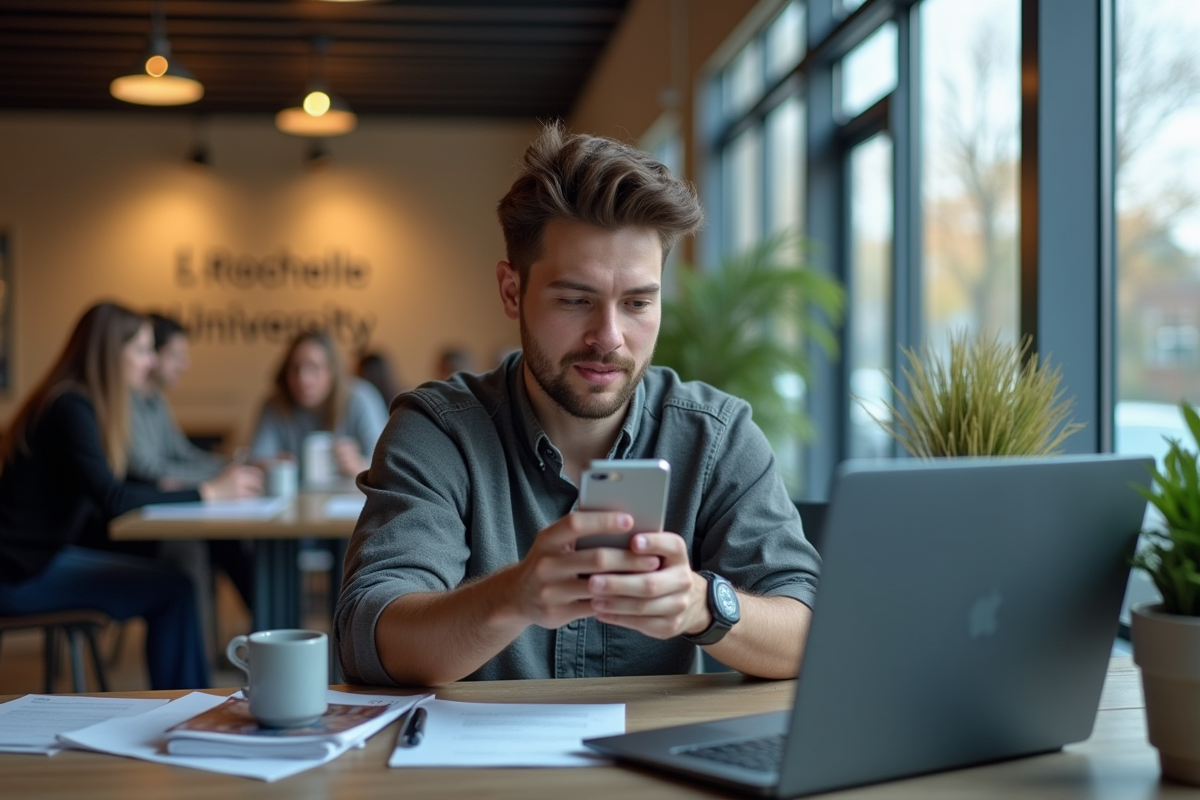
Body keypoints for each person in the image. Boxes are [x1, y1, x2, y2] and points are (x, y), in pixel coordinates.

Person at [336, 123, 821, 687]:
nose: (609, 336)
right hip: (482, 771)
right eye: (575, 300)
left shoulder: (716, 436)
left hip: (651, 768)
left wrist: (700, 606)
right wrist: (514, 597)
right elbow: (370, 638)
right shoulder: (439, 430)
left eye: (638, 302)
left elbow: (809, 631)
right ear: (511, 291)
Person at [0, 302, 260, 689]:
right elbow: (113, 498)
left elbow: (112, 492)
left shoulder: (73, 402)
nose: (149, 361)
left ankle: (190, 701)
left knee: (177, 579)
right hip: (19, 574)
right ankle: (190, 706)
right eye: (141, 350)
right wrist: (208, 492)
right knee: (175, 588)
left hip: (39, 558)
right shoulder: (71, 409)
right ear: (109, 354)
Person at [127, 312, 258, 613]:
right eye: (176, 356)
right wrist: (213, 483)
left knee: (232, 540)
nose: (185, 365)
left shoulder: (155, 400)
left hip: (165, 507)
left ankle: (270, 630)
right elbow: (147, 471)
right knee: (194, 547)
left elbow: (182, 454)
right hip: (141, 520)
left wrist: (229, 466)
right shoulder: (125, 402)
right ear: (152, 355)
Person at [250, 331, 388, 480]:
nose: (303, 379)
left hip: (350, 498)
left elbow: (388, 465)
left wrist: (360, 466)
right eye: (295, 368)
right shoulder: (275, 405)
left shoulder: (361, 398)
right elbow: (255, 461)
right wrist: (273, 464)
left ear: (332, 372)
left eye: (314, 367)